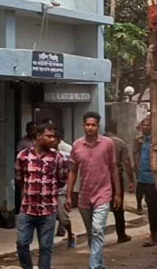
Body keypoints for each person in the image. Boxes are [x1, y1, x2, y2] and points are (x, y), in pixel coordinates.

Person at [67, 112, 122, 269]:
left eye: (93, 125)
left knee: (98, 229)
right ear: (83, 126)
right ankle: (99, 263)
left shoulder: (108, 144)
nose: (90, 128)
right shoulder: (76, 145)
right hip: (84, 196)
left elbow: (113, 168)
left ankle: (94, 267)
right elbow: (72, 171)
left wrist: (118, 194)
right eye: (87, 125)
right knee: (92, 233)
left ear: (98, 126)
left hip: (103, 194)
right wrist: (69, 195)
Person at [14, 122, 68, 269]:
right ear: (38, 136)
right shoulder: (23, 156)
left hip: (48, 210)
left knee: (46, 247)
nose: (53, 139)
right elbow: (20, 179)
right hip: (27, 209)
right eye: (48, 136)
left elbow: (62, 180)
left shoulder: (58, 158)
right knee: (22, 243)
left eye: (54, 136)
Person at [134, 116, 157, 247]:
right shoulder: (143, 140)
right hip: (143, 178)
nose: (145, 127)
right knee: (151, 206)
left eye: (148, 125)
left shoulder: (155, 140)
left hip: (152, 179)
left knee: (153, 207)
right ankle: (156, 233)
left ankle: (155, 234)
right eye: (144, 125)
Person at [106, 119, 135, 243]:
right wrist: (131, 180)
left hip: (100, 177)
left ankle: (95, 237)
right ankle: (121, 234)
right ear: (115, 128)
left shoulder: (99, 142)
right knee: (118, 206)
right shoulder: (120, 143)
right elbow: (127, 163)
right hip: (115, 177)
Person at [54, 132, 76, 248]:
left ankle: (70, 235)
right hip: (45, 191)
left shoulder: (64, 154)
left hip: (61, 190)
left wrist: (69, 193)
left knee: (63, 216)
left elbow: (70, 172)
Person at [133, 133, 146, 213]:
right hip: (141, 165)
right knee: (140, 186)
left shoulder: (156, 137)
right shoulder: (139, 139)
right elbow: (134, 152)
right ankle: (139, 205)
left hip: (151, 165)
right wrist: (137, 165)